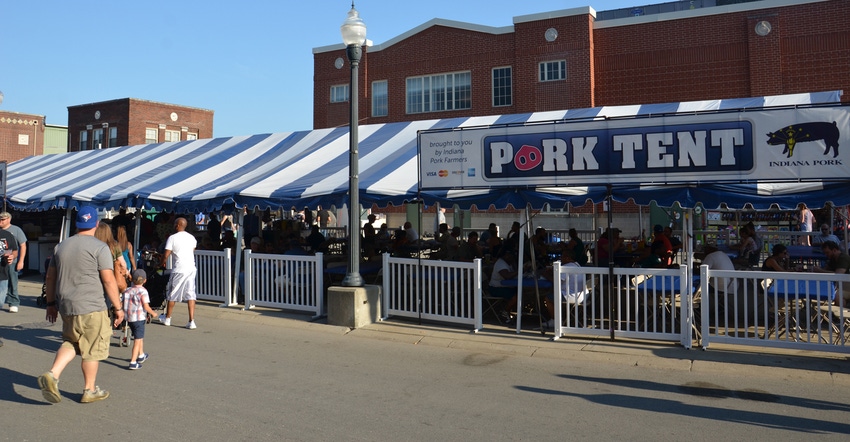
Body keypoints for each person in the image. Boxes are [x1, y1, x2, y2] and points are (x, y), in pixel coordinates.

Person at [38, 205, 124, 404]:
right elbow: (109, 280)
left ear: (77, 223)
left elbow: (50, 277)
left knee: (71, 342)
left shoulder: (61, 246)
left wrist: (50, 303)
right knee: (92, 349)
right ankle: (89, 389)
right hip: (92, 306)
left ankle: (53, 374)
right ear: (96, 223)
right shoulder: (99, 247)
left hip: (67, 306)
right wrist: (118, 308)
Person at [159, 217, 198, 329]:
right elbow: (192, 250)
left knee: (173, 294)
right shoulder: (192, 238)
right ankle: (191, 320)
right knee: (191, 294)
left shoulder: (172, 238)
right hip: (191, 268)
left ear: (177, 225)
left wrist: (161, 263)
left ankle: (167, 318)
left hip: (179, 269)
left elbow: (166, 254)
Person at [123, 269, 158, 370]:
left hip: (130, 318)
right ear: (145, 280)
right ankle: (133, 362)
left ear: (132, 280)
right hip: (139, 319)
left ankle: (141, 355)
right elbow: (146, 306)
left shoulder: (127, 290)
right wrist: (153, 313)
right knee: (137, 340)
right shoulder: (143, 291)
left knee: (139, 337)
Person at [0, 212, 26, 313]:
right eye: (0, 219)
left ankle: (13, 302)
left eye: (3, 219)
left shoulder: (16, 230)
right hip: (1, 262)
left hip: (12, 261)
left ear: (9, 220)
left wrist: (21, 261)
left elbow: (23, 245)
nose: (1, 221)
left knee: (12, 282)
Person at [488, 247, 521, 323]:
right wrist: (520, 271)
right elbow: (507, 276)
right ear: (506, 256)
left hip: (506, 286)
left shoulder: (510, 263)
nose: (513, 258)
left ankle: (510, 311)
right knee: (516, 296)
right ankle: (505, 312)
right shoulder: (500, 263)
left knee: (521, 293)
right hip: (496, 288)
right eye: (512, 256)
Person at [95, 222, 129, 291]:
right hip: (111, 277)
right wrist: (126, 272)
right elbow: (122, 263)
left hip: (95, 278)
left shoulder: (93, 245)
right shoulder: (115, 245)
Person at [813, 240, 850, 306]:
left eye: (827, 252)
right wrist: (819, 270)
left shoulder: (843, 258)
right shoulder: (833, 259)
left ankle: (841, 315)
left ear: (834, 250)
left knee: (837, 295)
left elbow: (838, 274)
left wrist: (820, 270)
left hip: (847, 286)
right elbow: (825, 270)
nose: (826, 255)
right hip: (841, 286)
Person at [0, 224, 20, 312]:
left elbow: (14, 250)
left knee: (0, 303)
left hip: (2, 273)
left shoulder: (7, 235)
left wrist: (11, 256)